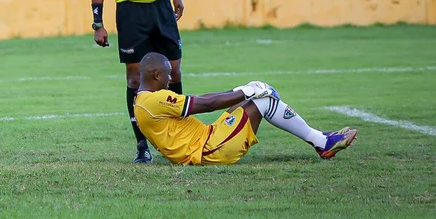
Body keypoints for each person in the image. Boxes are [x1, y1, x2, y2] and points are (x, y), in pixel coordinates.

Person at [90, 0, 185, 164]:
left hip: (161, 8)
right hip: (131, 13)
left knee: (174, 70)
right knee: (135, 78)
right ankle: (142, 145)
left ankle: (178, 134)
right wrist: (98, 24)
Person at [134, 52, 358, 164]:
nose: (171, 78)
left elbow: (203, 98)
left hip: (206, 139)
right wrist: (247, 92)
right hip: (208, 148)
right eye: (167, 74)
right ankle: (322, 143)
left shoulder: (143, 101)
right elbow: (206, 104)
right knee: (265, 101)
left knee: (253, 100)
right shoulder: (156, 100)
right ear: (156, 75)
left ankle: (319, 136)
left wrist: (238, 92)